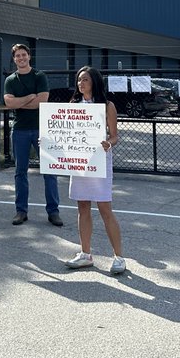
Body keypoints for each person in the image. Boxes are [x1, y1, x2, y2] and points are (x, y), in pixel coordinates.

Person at [63, 66, 125, 274]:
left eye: (85, 80)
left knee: (104, 207)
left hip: (99, 160)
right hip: (79, 161)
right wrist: (49, 142)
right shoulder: (73, 104)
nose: (81, 84)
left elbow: (114, 136)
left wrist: (109, 143)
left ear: (94, 82)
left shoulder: (107, 106)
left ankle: (119, 257)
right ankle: (85, 254)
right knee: (82, 206)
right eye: (79, 80)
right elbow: (64, 131)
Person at [3, 43, 63, 226]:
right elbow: (9, 103)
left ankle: (53, 211)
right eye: (17, 56)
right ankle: (21, 211)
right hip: (19, 130)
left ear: (29, 56)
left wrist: (20, 102)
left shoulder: (39, 76)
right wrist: (30, 97)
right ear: (14, 59)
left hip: (41, 129)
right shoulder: (10, 80)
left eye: (24, 55)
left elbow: (42, 101)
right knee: (20, 172)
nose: (21, 58)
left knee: (49, 171)